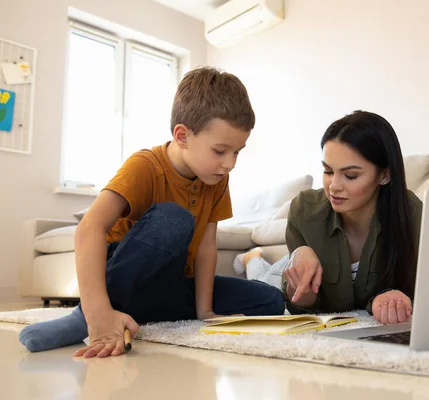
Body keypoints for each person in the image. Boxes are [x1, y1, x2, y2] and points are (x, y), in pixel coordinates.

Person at [19, 67, 285, 356]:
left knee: (270, 300)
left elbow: (208, 246)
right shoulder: (144, 166)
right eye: (220, 151)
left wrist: (205, 312)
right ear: (182, 136)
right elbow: (89, 228)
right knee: (174, 219)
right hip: (125, 279)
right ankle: (88, 317)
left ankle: (139, 315)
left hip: (171, 286)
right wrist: (97, 311)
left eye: (238, 152)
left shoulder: (217, 179)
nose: (230, 163)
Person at [234, 111, 422, 325]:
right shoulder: (304, 212)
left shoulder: (413, 215)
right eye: (328, 171)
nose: (334, 187)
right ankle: (252, 258)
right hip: (293, 264)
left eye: (350, 176)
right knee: (263, 287)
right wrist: (301, 288)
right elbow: (301, 304)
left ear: (385, 175)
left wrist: (393, 299)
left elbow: (425, 291)